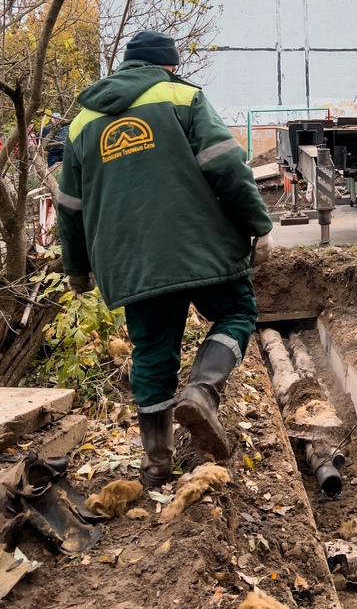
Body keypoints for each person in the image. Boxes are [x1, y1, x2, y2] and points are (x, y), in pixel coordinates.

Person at [56, 30, 274, 486]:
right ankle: (201, 391)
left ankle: (156, 463)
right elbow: (226, 165)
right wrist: (258, 226)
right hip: (203, 245)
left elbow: (69, 206)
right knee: (237, 312)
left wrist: (77, 268)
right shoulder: (182, 97)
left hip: (132, 263)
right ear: (168, 65)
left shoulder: (80, 124)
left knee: (152, 354)